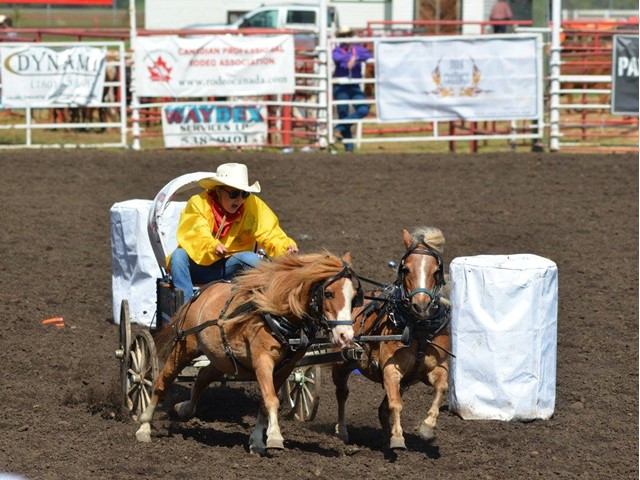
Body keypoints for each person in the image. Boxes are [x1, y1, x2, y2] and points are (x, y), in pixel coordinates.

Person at [169, 162, 298, 302]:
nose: (240, 200)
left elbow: (271, 232)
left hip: (229, 266)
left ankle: (266, 306)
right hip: (198, 267)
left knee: (252, 259)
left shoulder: (253, 206)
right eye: (234, 194)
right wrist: (212, 246)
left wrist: (285, 247)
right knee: (178, 257)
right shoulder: (198, 203)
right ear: (218, 191)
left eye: (245, 194)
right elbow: (197, 231)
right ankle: (185, 309)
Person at [332, 27, 372, 152]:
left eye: (348, 35)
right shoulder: (337, 50)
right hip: (340, 86)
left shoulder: (358, 49)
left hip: (354, 85)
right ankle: (349, 148)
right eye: (343, 35)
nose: (345, 38)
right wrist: (352, 58)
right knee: (343, 112)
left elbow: (368, 55)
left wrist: (355, 58)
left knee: (363, 109)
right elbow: (338, 59)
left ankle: (338, 128)